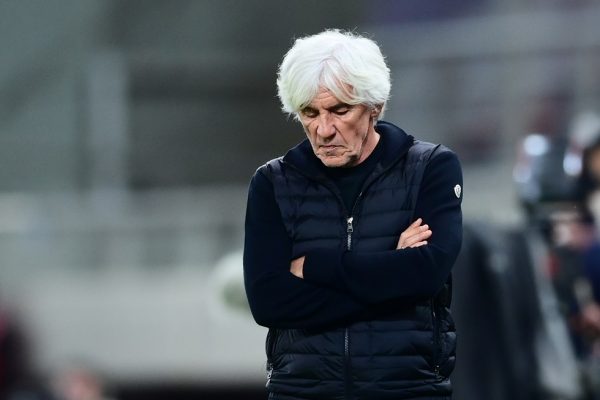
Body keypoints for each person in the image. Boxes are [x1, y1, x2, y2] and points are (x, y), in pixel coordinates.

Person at [243, 29, 463, 400]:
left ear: (374, 106)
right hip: (301, 391)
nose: (323, 129)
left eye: (340, 110)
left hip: (407, 389)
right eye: (309, 113)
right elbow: (268, 302)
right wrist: (391, 273)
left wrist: (316, 266)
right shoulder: (272, 182)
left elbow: (426, 274)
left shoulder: (431, 167)